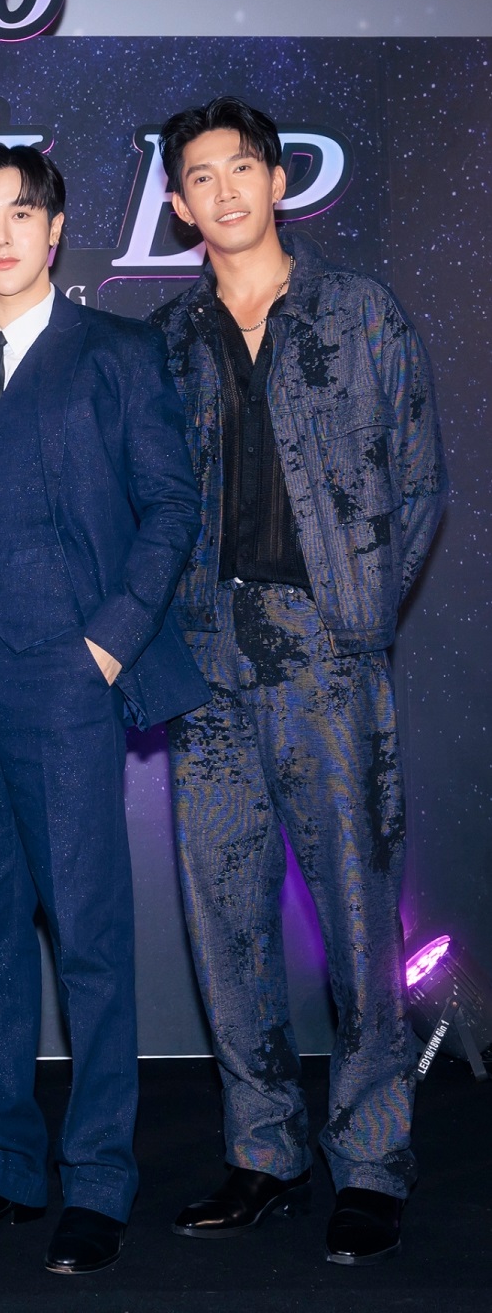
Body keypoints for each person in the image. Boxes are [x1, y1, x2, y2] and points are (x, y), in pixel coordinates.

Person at [0, 142, 208, 1276]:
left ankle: (99, 1181)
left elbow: (171, 506)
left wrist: (107, 645)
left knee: (88, 941)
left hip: (69, 687)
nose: (1, 233)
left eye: (21, 213)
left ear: (56, 228)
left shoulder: (114, 353)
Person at [149, 96, 446, 1266]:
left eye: (240, 169)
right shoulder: (166, 340)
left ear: (277, 182)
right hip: (205, 653)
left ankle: (368, 1161)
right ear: (179, 206)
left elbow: (417, 479)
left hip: (325, 648)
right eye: (198, 177)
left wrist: (356, 615)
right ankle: (261, 1153)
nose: (222, 191)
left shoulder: (358, 311)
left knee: (357, 915)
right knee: (223, 921)